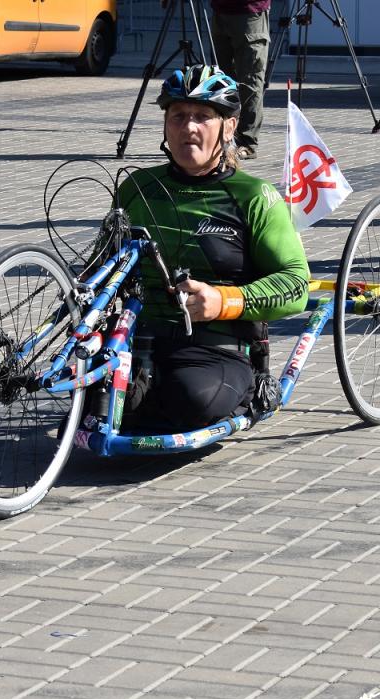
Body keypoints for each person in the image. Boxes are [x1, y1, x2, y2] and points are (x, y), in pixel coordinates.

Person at [115, 65, 310, 431]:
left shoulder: (254, 196)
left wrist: (223, 301)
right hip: (137, 343)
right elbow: (105, 262)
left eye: (203, 116)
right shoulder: (137, 188)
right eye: (178, 116)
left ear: (229, 127)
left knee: (188, 400)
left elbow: (296, 285)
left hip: (215, 348)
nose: (188, 127)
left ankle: (248, 387)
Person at [210, 0, 270, 160]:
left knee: (250, 83)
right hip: (220, 12)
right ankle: (221, 136)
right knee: (219, 81)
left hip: (250, 14)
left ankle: (247, 141)